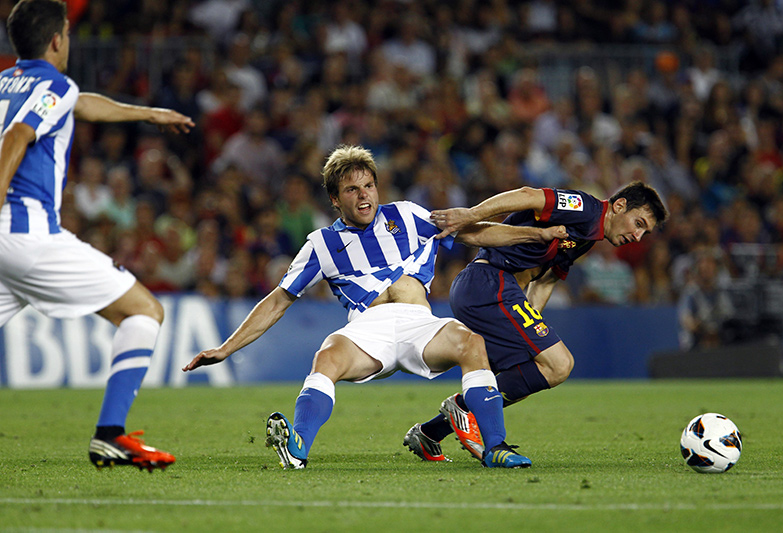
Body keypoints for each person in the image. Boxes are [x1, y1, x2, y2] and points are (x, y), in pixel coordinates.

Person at [182, 145, 567, 470]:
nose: (364, 195)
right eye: (352, 189)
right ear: (335, 199)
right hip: (369, 329)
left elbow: (475, 232)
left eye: (368, 186)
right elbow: (278, 300)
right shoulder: (320, 245)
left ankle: (495, 447)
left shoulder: (409, 216)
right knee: (327, 358)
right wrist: (225, 349)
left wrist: (536, 233)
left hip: (420, 322)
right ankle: (298, 448)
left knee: (471, 343)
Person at [0, 0, 194, 471]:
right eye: (68, 31)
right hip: (28, 235)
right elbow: (18, 137)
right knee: (144, 311)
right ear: (57, 40)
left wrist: (146, 114)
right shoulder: (52, 83)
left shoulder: (7, 82)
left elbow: (79, 103)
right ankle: (110, 435)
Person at [404, 181, 668, 462]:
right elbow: (528, 196)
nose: (638, 236)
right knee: (559, 364)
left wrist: (531, 328)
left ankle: (430, 432)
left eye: (645, 232)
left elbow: (546, 281)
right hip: (490, 283)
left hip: (492, 290)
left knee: (525, 373)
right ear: (619, 206)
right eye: (638, 223)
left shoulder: (588, 237)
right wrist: (471, 215)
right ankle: (474, 422)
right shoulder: (585, 208)